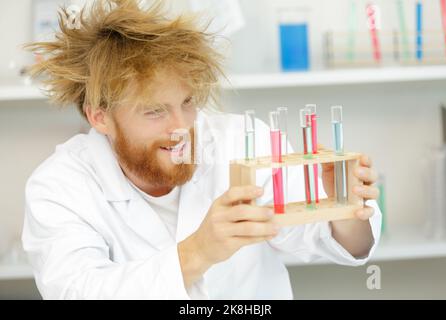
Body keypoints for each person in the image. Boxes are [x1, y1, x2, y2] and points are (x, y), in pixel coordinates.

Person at [22, 0, 381, 299]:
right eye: (154, 110)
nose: (181, 126)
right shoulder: (59, 186)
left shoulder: (242, 139)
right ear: (99, 116)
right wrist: (198, 251)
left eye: (188, 102)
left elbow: (340, 243)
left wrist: (344, 210)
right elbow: (77, 291)